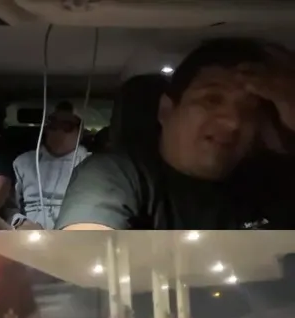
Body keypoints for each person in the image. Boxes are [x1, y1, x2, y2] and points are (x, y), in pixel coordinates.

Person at [57, 38, 295, 230]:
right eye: (212, 100)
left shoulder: (271, 180)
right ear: (167, 110)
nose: (233, 122)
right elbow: (85, 254)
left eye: (250, 108)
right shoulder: (114, 175)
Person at [9, 102, 91, 230]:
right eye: (53, 125)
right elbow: (8, 205)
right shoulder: (23, 162)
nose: (58, 131)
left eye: (67, 126)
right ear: (45, 129)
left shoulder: (92, 165)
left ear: (80, 131)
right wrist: (19, 222)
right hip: (26, 233)